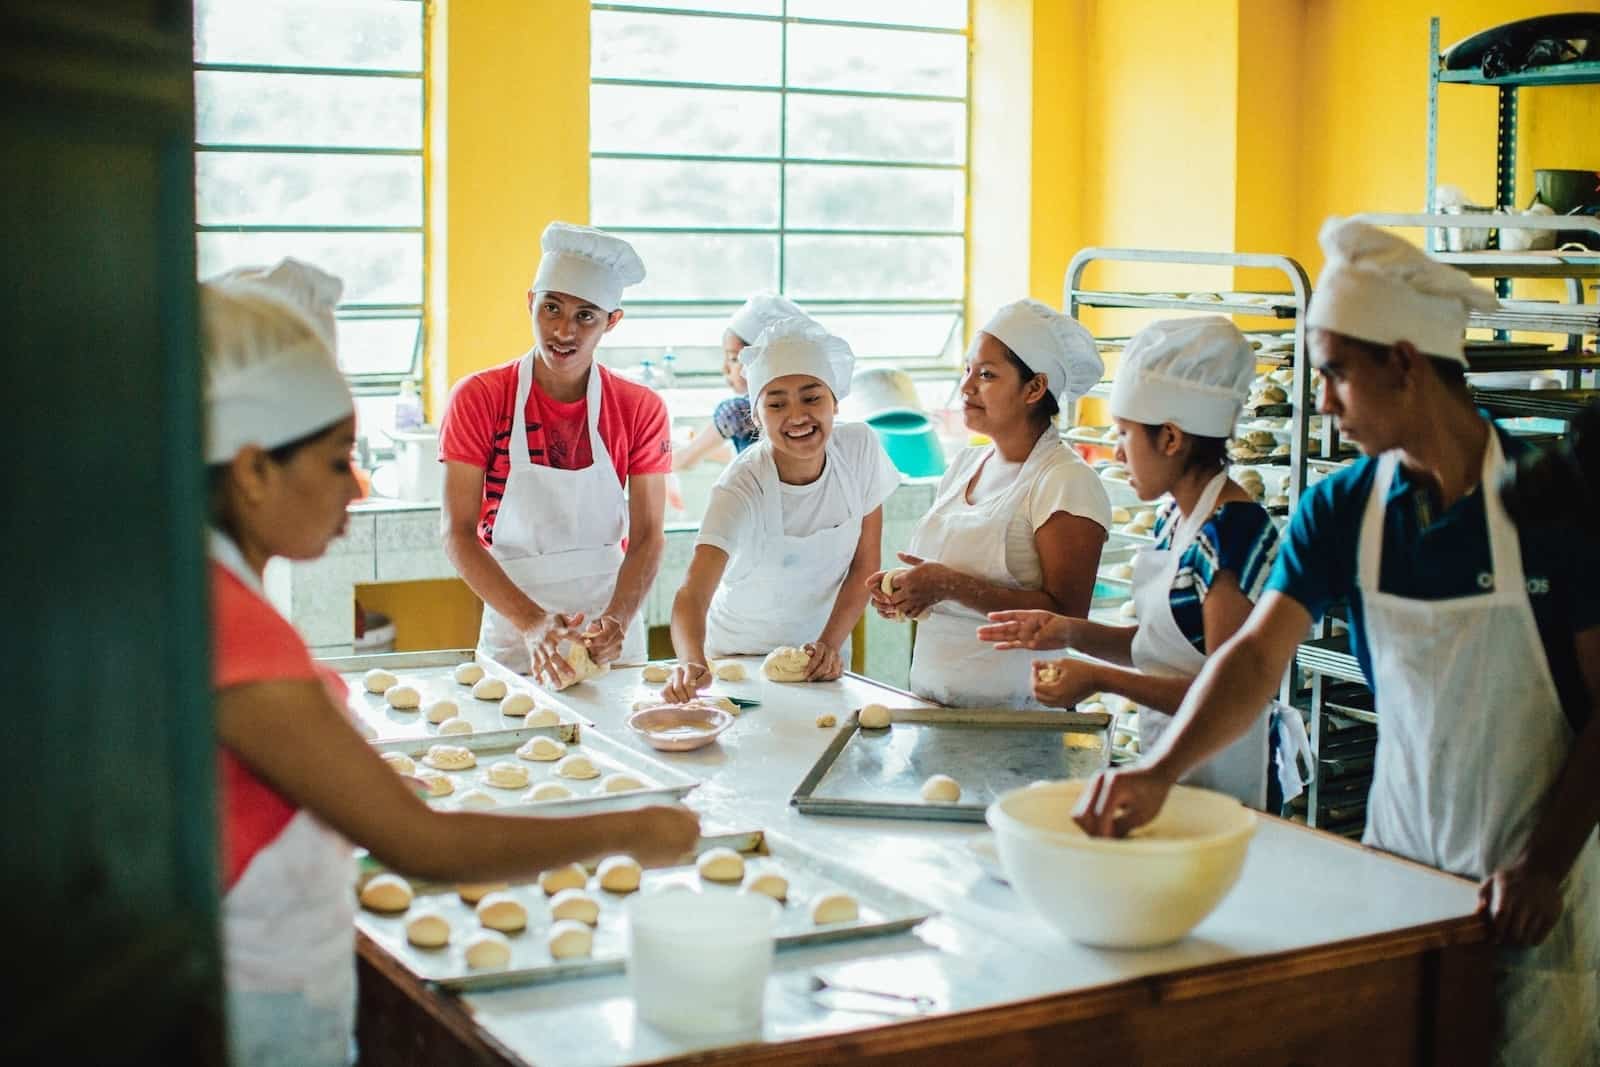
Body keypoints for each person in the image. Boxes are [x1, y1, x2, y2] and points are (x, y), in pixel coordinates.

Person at [1073, 219, 1599, 1065]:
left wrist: (1541, 865)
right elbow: (1250, 656)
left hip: (1541, 884)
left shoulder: (1552, 504)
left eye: (1337, 376)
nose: (1322, 403)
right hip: (1402, 867)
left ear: (1404, 362)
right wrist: (1157, 772)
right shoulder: (1344, 508)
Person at [202, 260, 698, 1067]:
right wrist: (634, 826)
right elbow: (423, 846)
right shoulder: (231, 632)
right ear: (255, 470)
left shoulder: (213, 595)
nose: (360, 486)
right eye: (337, 459)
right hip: (254, 1007)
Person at [979, 316, 1301, 808]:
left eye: (1125, 435)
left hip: (1225, 781)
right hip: (1167, 765)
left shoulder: (1233, 536)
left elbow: (1225, 695)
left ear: (1170, 439)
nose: (1117, 453)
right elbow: (1158, 650)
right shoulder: (1175, 518)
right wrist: (1066, 632)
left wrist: (1101, 679)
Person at [440, 222, 670, 686]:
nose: (563, 330)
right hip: (514, 629)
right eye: (551, 308)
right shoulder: (480, 397)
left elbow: (648, 535)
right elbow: (457, 534)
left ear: (612, 321)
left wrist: (619, 620)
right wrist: (533, 623)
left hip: (610, 632)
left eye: (586, 316)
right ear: (531, 303)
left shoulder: (640, 408)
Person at [868, 299, 1111, 707]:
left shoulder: (1065, 481)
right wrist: (909, 591)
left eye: (986, 374)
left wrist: (948, 585)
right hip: (932, 705)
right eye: (967, 370)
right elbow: (948, 578)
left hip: (1018, 718)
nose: (966, 388)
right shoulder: (965, 464)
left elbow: (1066, 616)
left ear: (1034, 388)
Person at [663, 317, 899, 700]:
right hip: (740, 661)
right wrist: (691, 662)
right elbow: (692, 592)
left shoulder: (859, 451)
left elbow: (864, 565)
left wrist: (828, 644)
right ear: (756, 416)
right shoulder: (741, 485)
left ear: (835, 401)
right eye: (776, 404)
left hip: (821, 655)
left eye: (811, 397)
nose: (797, 416)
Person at [672, 292, 808, 470]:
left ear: (762, 361)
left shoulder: (738, 411)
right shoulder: (804, 406)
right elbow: (745, 453)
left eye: (734, 358)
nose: (725, 368)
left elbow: (683, 461)